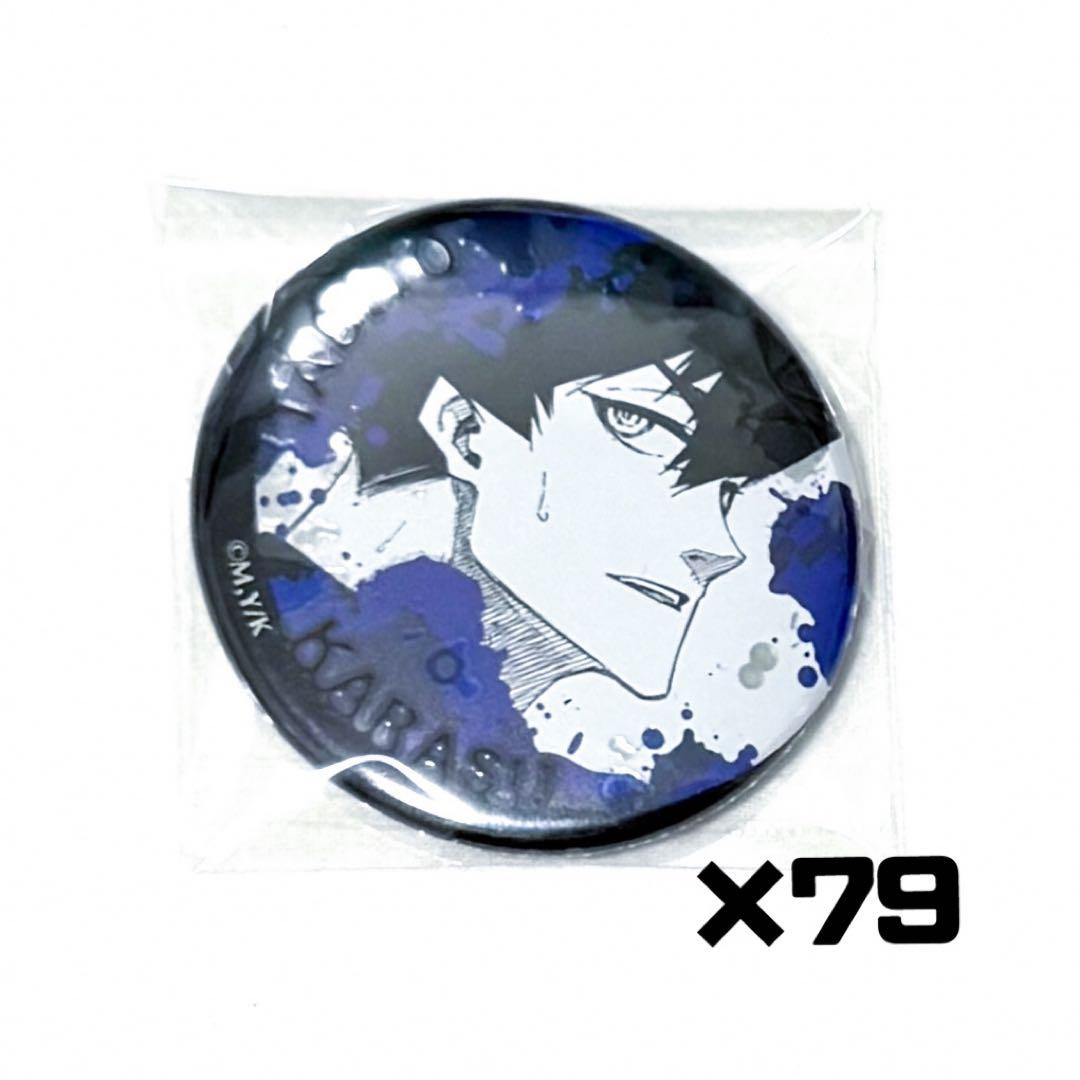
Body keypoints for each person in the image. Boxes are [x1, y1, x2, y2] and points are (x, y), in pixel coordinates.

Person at [256, 207, 839, 724]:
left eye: (730, 491)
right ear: (467, 432)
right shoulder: (306, 580)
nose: (721, 550)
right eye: (640, 424)